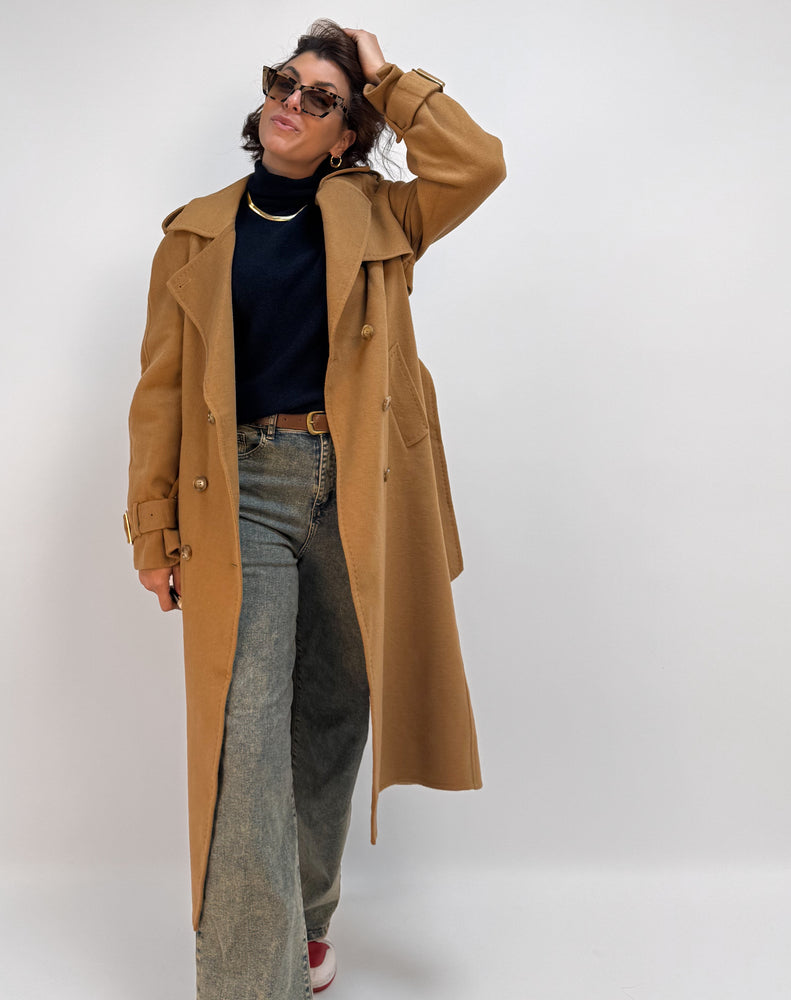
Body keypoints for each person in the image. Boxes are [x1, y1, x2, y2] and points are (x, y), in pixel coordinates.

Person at [125, 20, 505, 998]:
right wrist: (153, 528)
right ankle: (252, 977)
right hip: (241, 493)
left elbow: (477, 164)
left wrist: (386, 75)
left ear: (347, 134)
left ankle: (306, 915)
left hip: (362, 488)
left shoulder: (384, 215)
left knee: (335, 708)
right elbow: (160, 392)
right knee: (245, 727)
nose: (290, 102)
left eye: (321, 97)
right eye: (282, 83)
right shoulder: (195, 234)